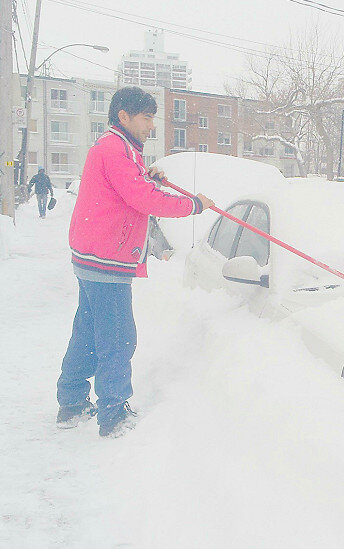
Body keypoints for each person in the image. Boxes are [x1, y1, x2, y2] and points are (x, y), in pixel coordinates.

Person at [56, 86, 214, 437]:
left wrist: (146, 175)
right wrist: (194, 206)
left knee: (88, 332)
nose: (151, 125)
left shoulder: (120, 149)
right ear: (123, 116)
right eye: (146, 117)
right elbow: (142, 199)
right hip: (104, 258)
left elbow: (128, 189)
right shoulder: (114, 149)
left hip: (93, 253)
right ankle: (113, 414)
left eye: (152, 117)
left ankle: (72, 402)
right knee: (117, 337)